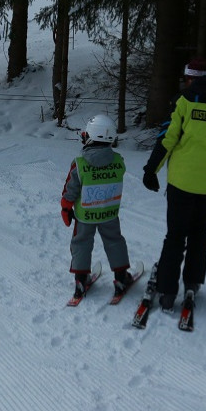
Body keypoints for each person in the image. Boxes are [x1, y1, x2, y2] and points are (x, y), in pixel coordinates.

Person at [142, 57, 206, 311]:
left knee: (176, 236)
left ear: (194, 78)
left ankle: (167, 292)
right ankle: (192, 283)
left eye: (187, 77)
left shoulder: (186, 102)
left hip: (182, 182)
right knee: (200, 232)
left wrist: (151, 169)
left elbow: (167, 138)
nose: (186, 82)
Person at [60, 114, 136, 299]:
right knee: (115, 241)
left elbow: (70, 189)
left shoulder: (80, 164)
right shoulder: (119, 161)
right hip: (109, 213)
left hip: (85, 216)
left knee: (81, 243)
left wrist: (66, 207)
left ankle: (80, 279)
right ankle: (120, 278)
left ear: (91, 136)